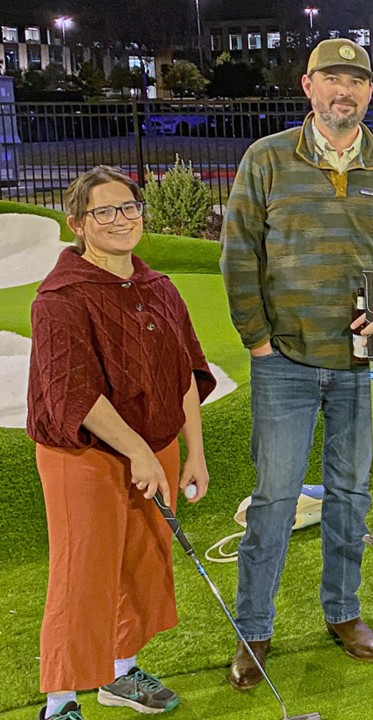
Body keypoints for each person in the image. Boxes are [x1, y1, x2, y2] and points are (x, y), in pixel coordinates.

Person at [220, 38, 373, 685]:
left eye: (356, 81)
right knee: (275, 499)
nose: (345, 91)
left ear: (370, 92)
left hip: (364, 365)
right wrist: (258, 341)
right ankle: (254, 629)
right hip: (284, 362)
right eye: (332, 79)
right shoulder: (267, 159)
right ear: (308, 86)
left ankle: (342, 612)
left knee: (350, 494)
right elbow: (239, 255)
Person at [28, 166, 216, 720]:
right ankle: (60, 702)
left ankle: (120, 671)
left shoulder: (160, 288)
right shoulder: (59, 298)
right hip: (83, 455)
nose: (120, 220)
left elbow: (184, 372)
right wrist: (136, 451)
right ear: (77, 223)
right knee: (83, 571)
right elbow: (73, 394)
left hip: (155, 447)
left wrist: (194, 451)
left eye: (129, 207)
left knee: (143, 562)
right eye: (104, 211)